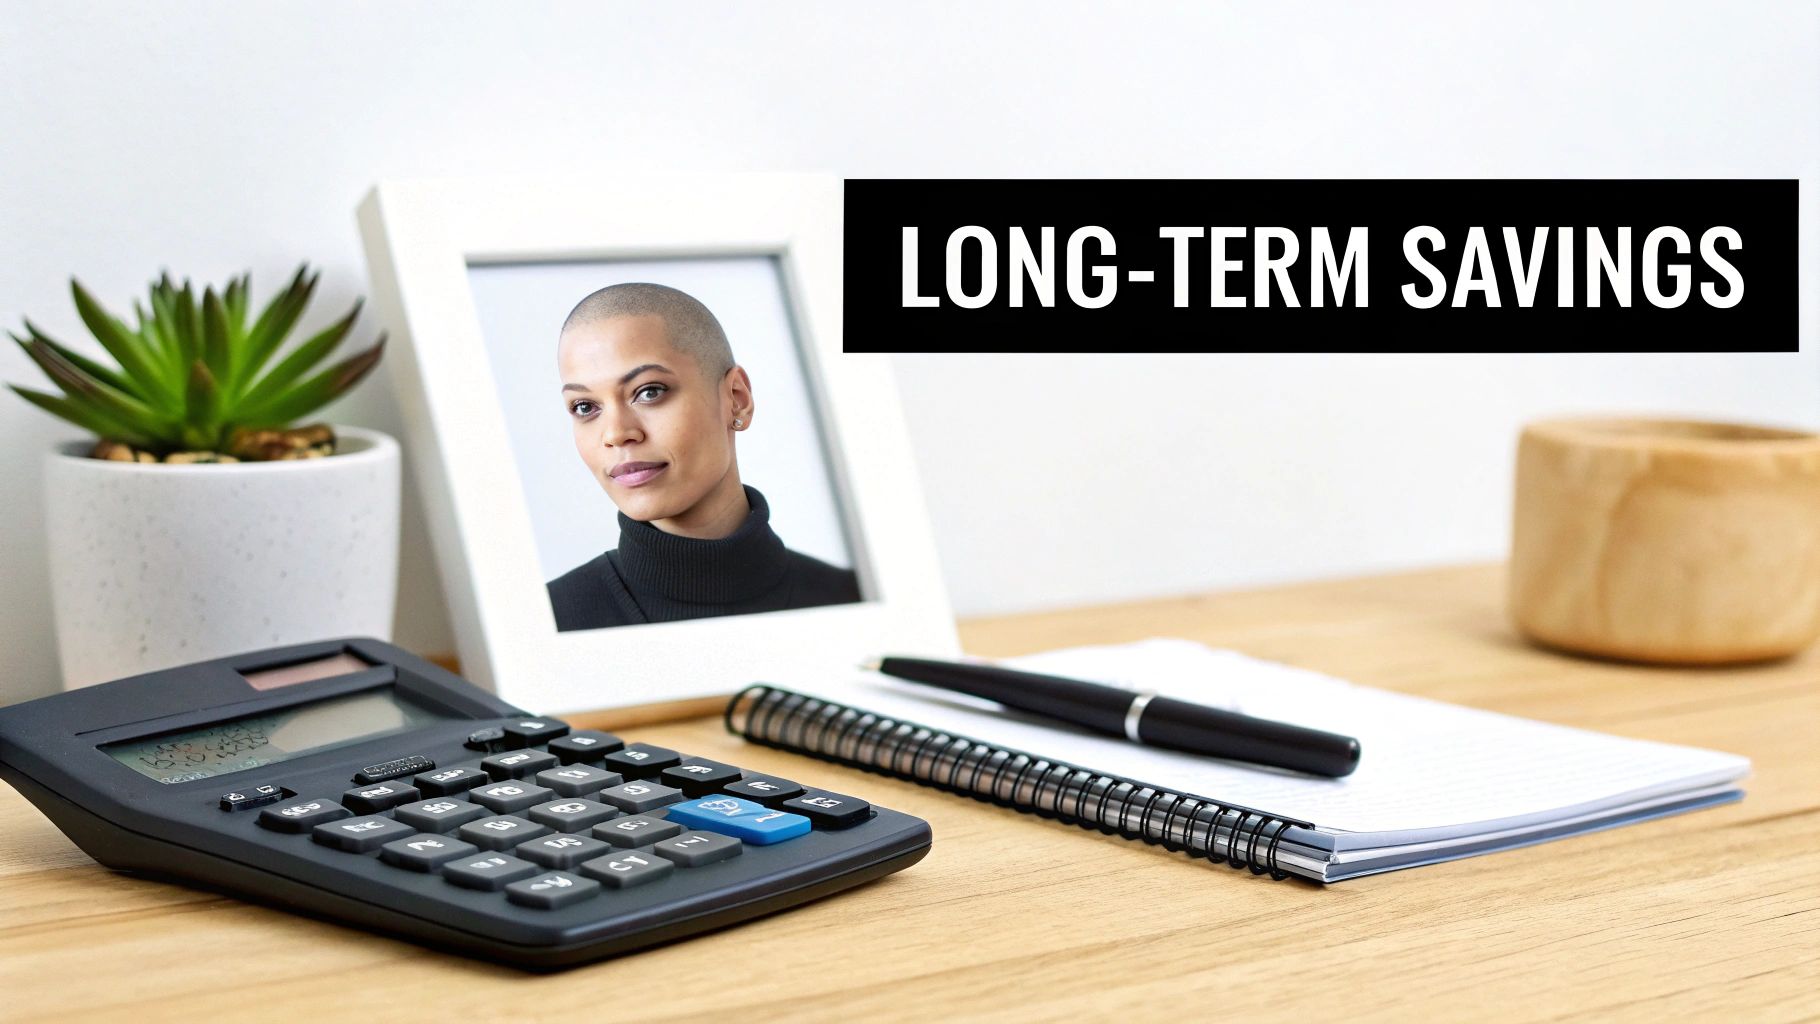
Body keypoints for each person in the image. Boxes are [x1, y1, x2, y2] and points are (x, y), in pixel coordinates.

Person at [545, 282, 861, 631]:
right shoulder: (546, 625)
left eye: (649, 392)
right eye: (585, 407)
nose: (617, 433)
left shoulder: (855, 600)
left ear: (736, 398)